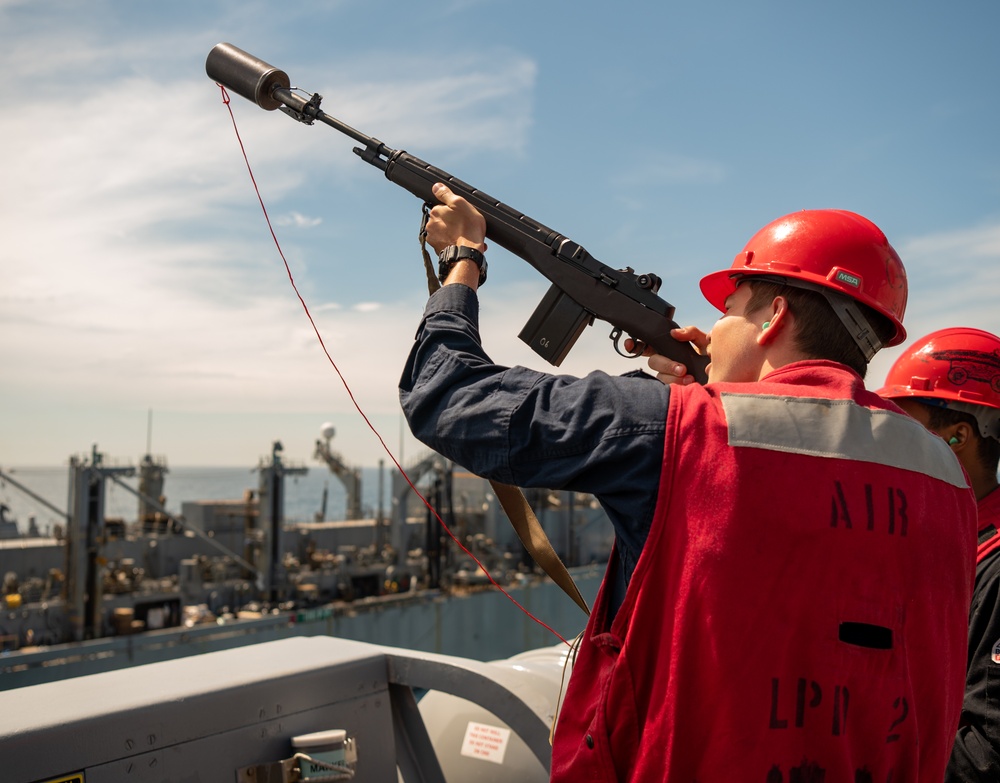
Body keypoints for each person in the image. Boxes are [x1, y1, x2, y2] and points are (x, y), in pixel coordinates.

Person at [399, 185, 977, 781]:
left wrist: (463, 261)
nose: (714, 325)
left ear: (773, 315)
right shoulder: (943, 474)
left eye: (731, 307)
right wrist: (711, 388)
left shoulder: (679, 427)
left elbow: (450, 398)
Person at [873, 327, 1000, 782]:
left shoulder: (994, 565)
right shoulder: (942, 539)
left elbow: (987, 752)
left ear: (958, 436)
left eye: (903, 427)